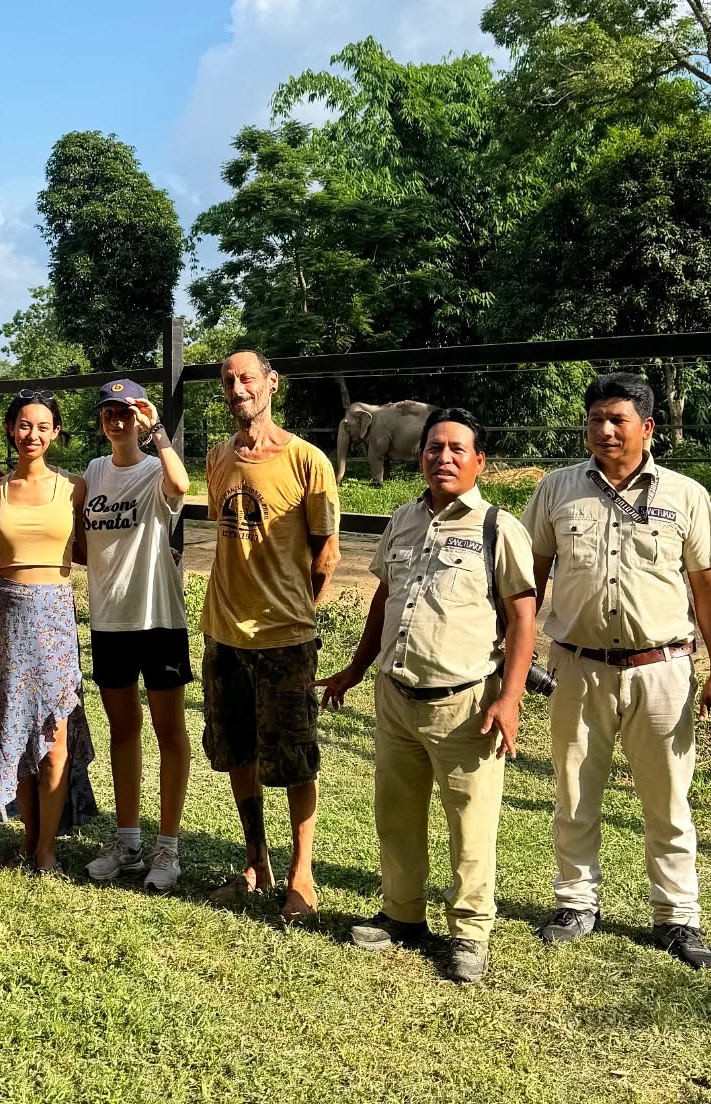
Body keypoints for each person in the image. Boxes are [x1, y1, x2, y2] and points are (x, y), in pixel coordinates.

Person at [522, 372, 711, 969]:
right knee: (573, 790)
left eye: (618, 420)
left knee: (668, 799)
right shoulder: (557, 490)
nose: (605, 430)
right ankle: (576, 902)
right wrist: (513, 663)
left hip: (662, 670)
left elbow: (710, 589)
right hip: (577, 667)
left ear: (648, 428)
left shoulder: (685, 495)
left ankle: (677, 917)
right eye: (596, 419)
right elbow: (530, 581)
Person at [318, 408, 538, 982]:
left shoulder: (498, 527)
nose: (443, 457)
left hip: (465, 704)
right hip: (395, 697)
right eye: (434, 448)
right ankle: (402, 915)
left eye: (457, 449)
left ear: (478, 461)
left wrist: (509, 697)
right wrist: (354, 670)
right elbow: (383, 603)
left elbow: (522, 619)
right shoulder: (403, 520)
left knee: (471, 823)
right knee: (395, 815)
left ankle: (469, 934)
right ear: (420, 456)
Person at [199, 350, 340, 924]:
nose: (238, 388)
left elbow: (326, 554)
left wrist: (294, 610)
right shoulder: (217, 459)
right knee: (238, 750)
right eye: (229, 381)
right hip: (224, 632)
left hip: (285, 637)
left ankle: (301, 873)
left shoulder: (308, 462)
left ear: (271, 383)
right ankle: (255, 860)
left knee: (295, 757)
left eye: (247, 378)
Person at [0, 390, 95, 874]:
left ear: (55, 432)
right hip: (5, 619)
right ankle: (29, 839)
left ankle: (46, 850)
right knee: (12, 732)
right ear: (10, 429)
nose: (31, 434)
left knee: (56, 735)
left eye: (42, 426)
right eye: (23, 425)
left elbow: (86, 551)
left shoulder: (74, 488)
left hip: (55, 618)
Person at [79, 379, 192, 894]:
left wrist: (159, 432)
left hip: (159, 619)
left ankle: (167, 848)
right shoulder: (93, 472)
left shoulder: (154, 470)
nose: (117, 420)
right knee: (123, 731)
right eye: (109, 413)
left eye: (126, 412)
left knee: (169, 731)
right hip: (109, 622)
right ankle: (127, 841)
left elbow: (183, 485)